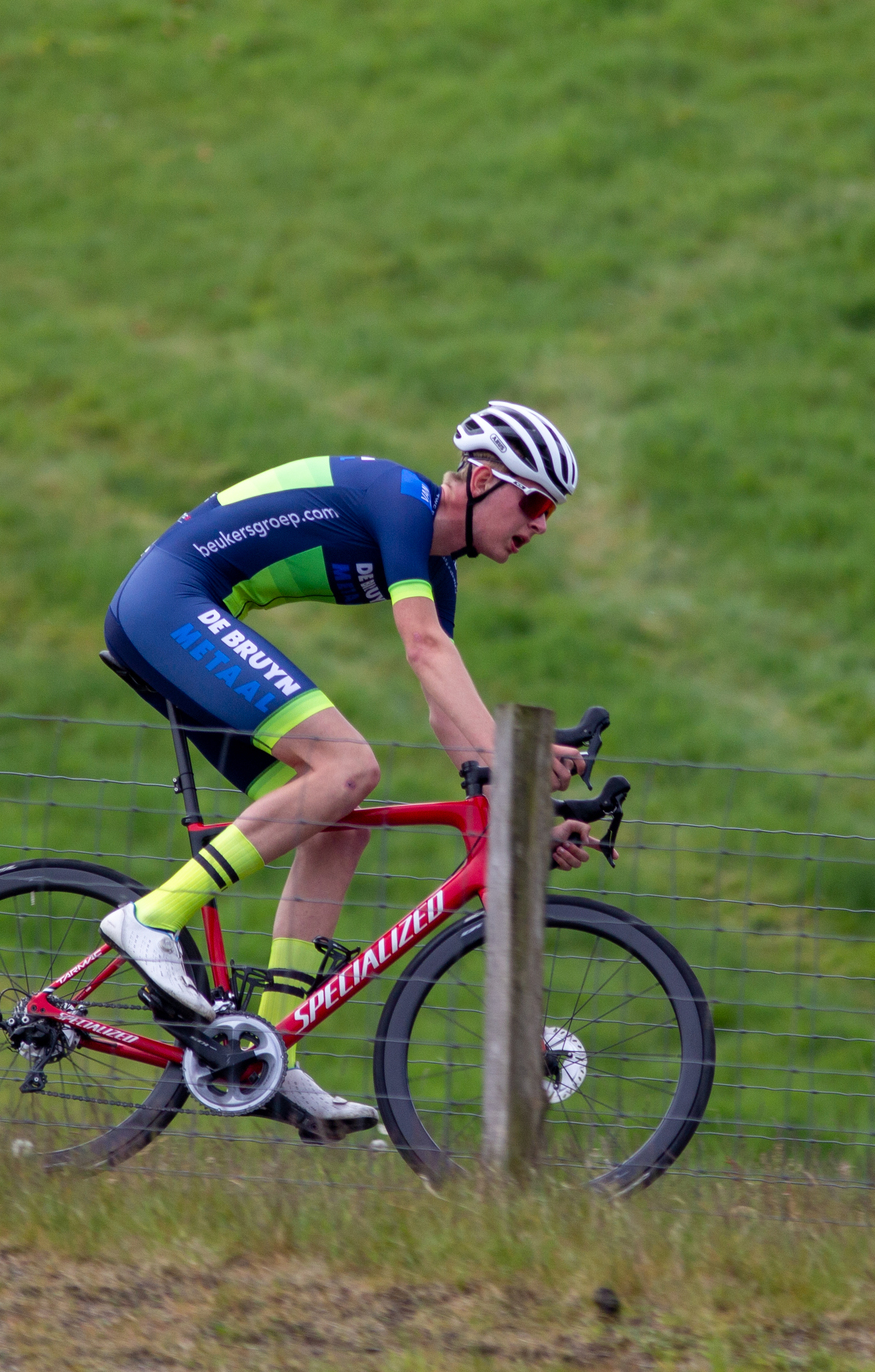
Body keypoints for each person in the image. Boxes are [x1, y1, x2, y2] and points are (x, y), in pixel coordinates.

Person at [96, 401, 598, 1138]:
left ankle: (261, 1056)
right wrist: (512, 752)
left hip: (183, 612)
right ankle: (152, 918)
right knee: (347, 765)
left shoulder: (434, 566)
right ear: (484, 479)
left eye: (552, 510)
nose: (541, 523)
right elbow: (422, 650)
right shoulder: (402, 502)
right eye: (534, 500)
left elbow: (441, 707)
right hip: (168, 604)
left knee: (338, 826)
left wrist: (519, 810)